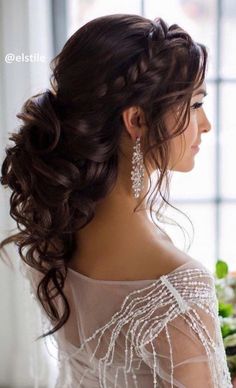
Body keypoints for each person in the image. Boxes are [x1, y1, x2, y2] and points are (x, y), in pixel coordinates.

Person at [0, 13, 233, 388]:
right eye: (193, 105)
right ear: (137, 120)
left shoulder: (53, 236)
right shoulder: (176, 287)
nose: (205, 123)